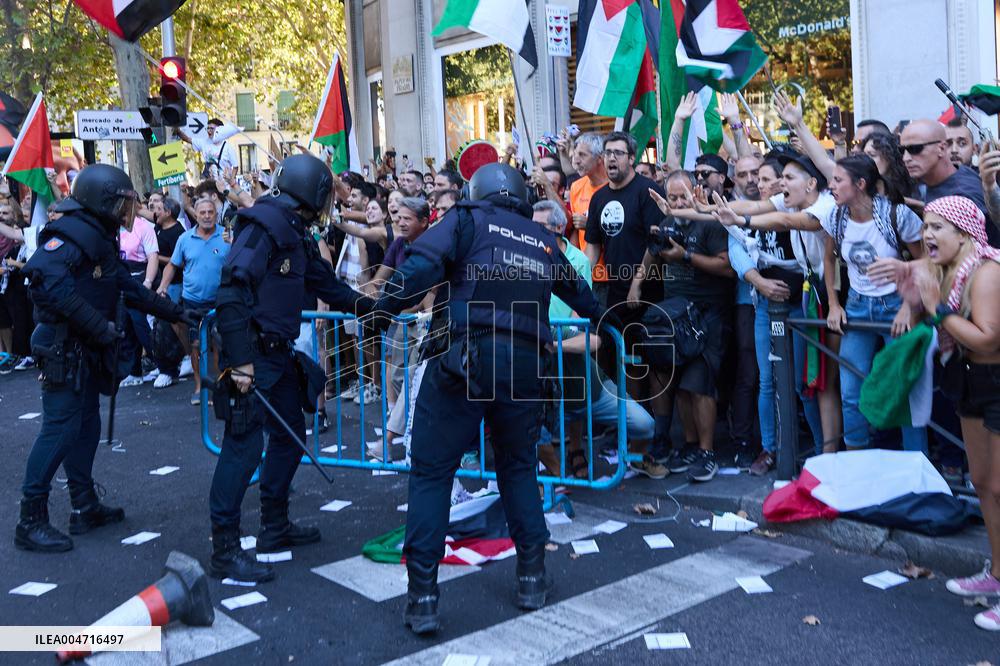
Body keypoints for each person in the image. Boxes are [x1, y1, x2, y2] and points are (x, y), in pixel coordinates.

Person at [370, 163, 610, 634]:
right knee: (517, 469)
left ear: (477, 191)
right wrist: (610, 323)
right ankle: (532, 576)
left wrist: (380, 310)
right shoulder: (541, 238)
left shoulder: (464, 219)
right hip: (524, 368)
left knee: (432, 473)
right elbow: (582, 295)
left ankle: (422, 597)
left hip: (466, 357)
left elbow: (419, 267)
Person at [208, 153, 375, 582]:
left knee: (289, 437)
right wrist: (241, 363)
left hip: (278, 353)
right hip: (252, 356)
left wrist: (376, 309)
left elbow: (326, 285)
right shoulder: (262, 226)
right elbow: (231, 292)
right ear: (312, 194)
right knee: (242, 449)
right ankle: (225, 550)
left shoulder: (292, 231)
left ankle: (274, 526)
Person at [14, 164, 191, 553]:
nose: (128, 212)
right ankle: (30, 520)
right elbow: (43, 279)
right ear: (101, 201)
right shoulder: (72, 234)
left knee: (87, 425)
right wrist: (98, 325)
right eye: (121, 203)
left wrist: (175, 312)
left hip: (84, 349)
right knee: (59, 430)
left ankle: (84, 505)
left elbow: (124, 284)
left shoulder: (97, 234)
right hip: (64, 347)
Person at [870, 197, 1000, 631]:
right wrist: (917, 294)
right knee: (983, 482)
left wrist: (935, 305)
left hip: (994, 380)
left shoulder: (986, 272)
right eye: (925, 226)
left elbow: (985, 339)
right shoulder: (946, 272)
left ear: (964, 234)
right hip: (968, 381)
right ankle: (996, 575)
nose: (927, 235)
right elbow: (942, 324)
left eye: (937, 227)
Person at [823, 155, 927, 453]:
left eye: (838, 180)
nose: (831, 185)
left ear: (860, 184)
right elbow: (829, 260)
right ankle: (858, 461)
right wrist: (833, 303)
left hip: (896, 303)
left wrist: (910, 306)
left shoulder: (896, 215)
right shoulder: (836, 216)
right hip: (856, 304)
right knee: (851, 391)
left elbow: (924, 262)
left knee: (904, 389)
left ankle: (914, 464)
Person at [158, 198, 231, 405]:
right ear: (196, 215)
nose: (207, 216)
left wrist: (232, 244)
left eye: (210, 212)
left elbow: (237, 263)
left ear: (216, 215)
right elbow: (172, 265)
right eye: (203, 213)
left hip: (219, 301)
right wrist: (162, 287)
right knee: (196, 346)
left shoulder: (226, 237)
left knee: (218, 345)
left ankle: (216, 386)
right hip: (192, 302)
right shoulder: (185, 238)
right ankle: (199, 387)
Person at [900, 119, 999, 246]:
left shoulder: (962, 196)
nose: (906, 158)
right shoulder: (956, 172)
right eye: (902, 150)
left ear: (941, 148)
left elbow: (979, 254)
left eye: (915, 149)